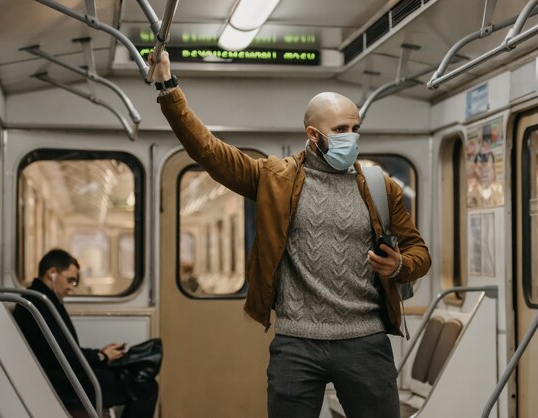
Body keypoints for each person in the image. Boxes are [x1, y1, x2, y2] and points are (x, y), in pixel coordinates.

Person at [151, 51, 431, 418]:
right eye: (341, 130)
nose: (352, 138)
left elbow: (419, 252)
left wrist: (397, 266)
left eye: (355, 129)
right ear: (313, 135)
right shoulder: (275, 179)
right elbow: (209, 151)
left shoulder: (380, 187)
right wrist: (168, 88)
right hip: (297, 344)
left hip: (365, 341)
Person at [13, 249, 158, 417]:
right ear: (52, 273)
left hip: (64, 374)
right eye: (70, 280)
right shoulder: (38, 304)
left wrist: (101, 355)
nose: (71, 288)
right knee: (144, 386)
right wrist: (100, 357)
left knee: (133, 374)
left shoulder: (42, 300)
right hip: (61, 382)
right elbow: (63, 355)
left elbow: (65, 350)